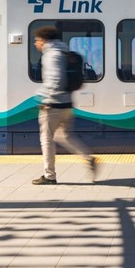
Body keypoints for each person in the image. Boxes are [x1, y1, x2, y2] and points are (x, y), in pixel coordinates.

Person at [31, 26, 96, 185]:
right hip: (67, 104)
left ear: (44, 41)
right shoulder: (64, 52)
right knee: (63, 136)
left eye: (37, 40)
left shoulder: (51, 55)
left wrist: (45, 99)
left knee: (46, 139)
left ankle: (49, 176)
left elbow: (56, 80)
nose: (35, 44)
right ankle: (88, 158)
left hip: (53, 105)